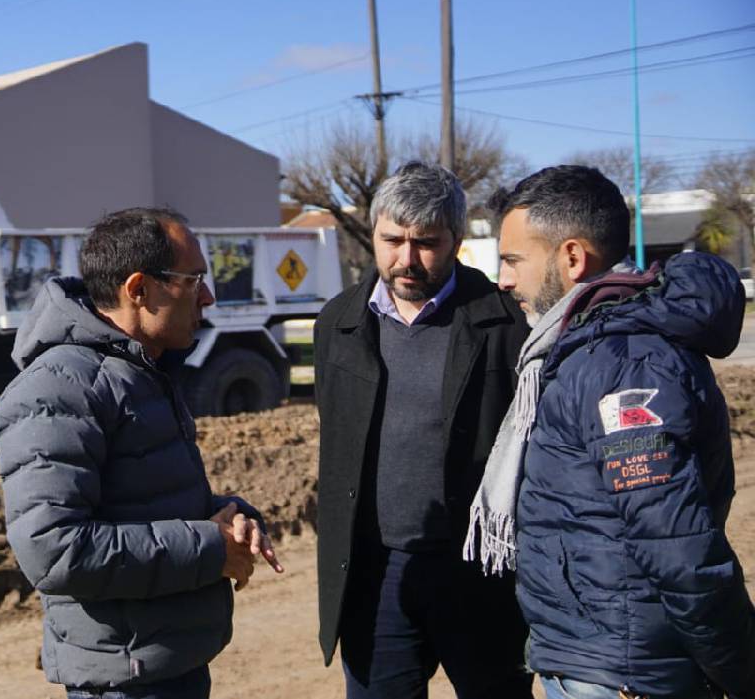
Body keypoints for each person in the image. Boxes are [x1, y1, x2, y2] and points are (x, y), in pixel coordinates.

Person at [465, 164, 755, 699]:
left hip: (624, 675)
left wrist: (741, 672)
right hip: (596, 663)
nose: (504, 280)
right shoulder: (582, 346)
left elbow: (678, 547)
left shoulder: (624, 361)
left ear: (572, 257)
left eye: (512, 260)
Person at [0, 207, 283, 699]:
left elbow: (147, 503)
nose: (207, 297)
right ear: (138, 289)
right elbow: (55, 549)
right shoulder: (58, 390)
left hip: (166, 664)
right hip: (123, 680)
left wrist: (227, 519)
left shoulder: (141, 373)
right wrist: (211, 549)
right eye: (193, 281)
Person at [314, 162, 533, 699]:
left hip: (480, 573)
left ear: (457, 239)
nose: (406, 259)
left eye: (426, 243)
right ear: (373, 234)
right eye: (392, 240)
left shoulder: (506, 323)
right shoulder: (338, 323)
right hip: (377, 574)